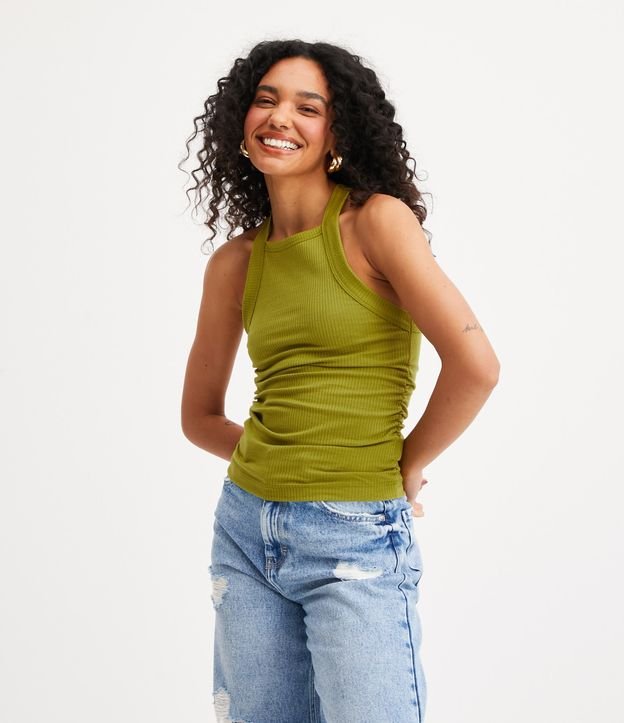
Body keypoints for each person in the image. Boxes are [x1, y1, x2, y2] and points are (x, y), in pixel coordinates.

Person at [180, 39, 500, 723]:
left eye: (308, 107)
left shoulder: (376, 222)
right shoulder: (235, 262)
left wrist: (405, 464)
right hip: (245, 529)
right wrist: (284, 456)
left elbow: (476, 365)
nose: (280, 117)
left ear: (337, 131)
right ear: (241, 120)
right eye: (265, 100)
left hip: (355, 531)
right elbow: (199, 417)